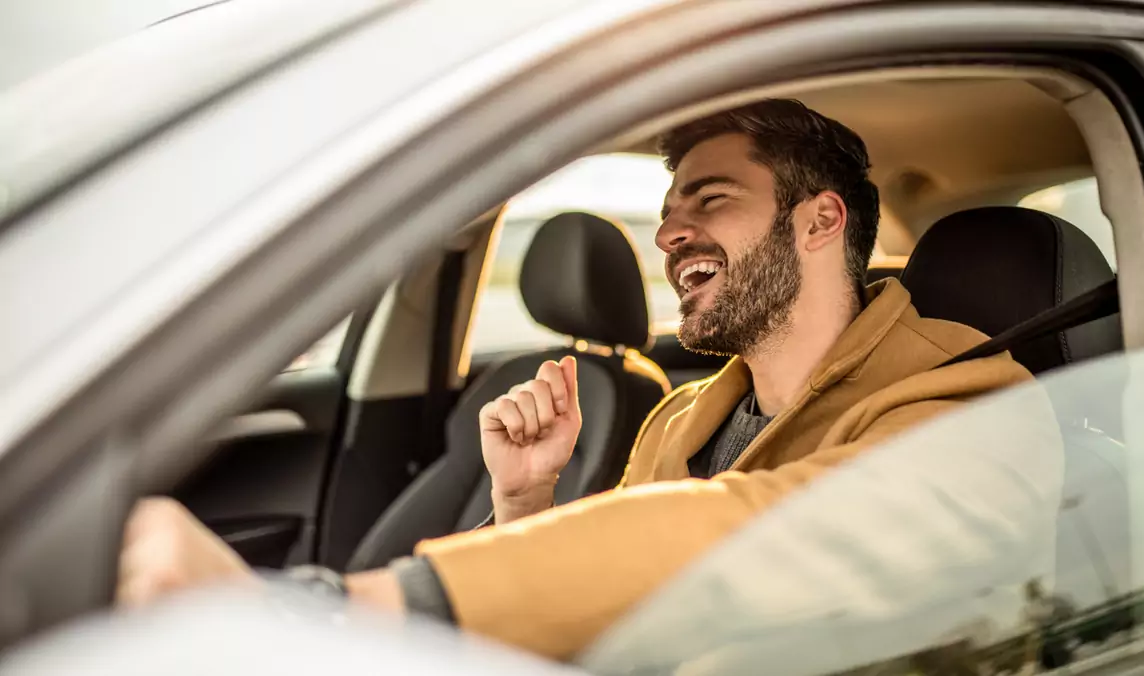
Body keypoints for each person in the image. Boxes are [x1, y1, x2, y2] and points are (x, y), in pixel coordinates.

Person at [116, 99, 1040, 660]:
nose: (670, 232)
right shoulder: (681, 417)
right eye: (669, 209)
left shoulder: (977, 404)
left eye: (711, 199)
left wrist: (345, 610)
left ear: (819, 220)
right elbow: (615, 610)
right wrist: (527, 501)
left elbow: (761, 544)